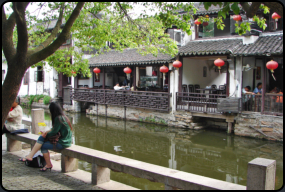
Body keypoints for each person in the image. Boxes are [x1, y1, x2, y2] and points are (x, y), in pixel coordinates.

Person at [19, 102, 73, 172]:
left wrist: (45, 135)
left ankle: (45, 163)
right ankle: (31, 156)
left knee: (43, 145)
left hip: (63, 143)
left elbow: (54, 132)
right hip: (67, 141)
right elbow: (54, 129)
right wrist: (46, 133)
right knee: (42, 138)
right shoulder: (63, 117)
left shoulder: (58, 118)